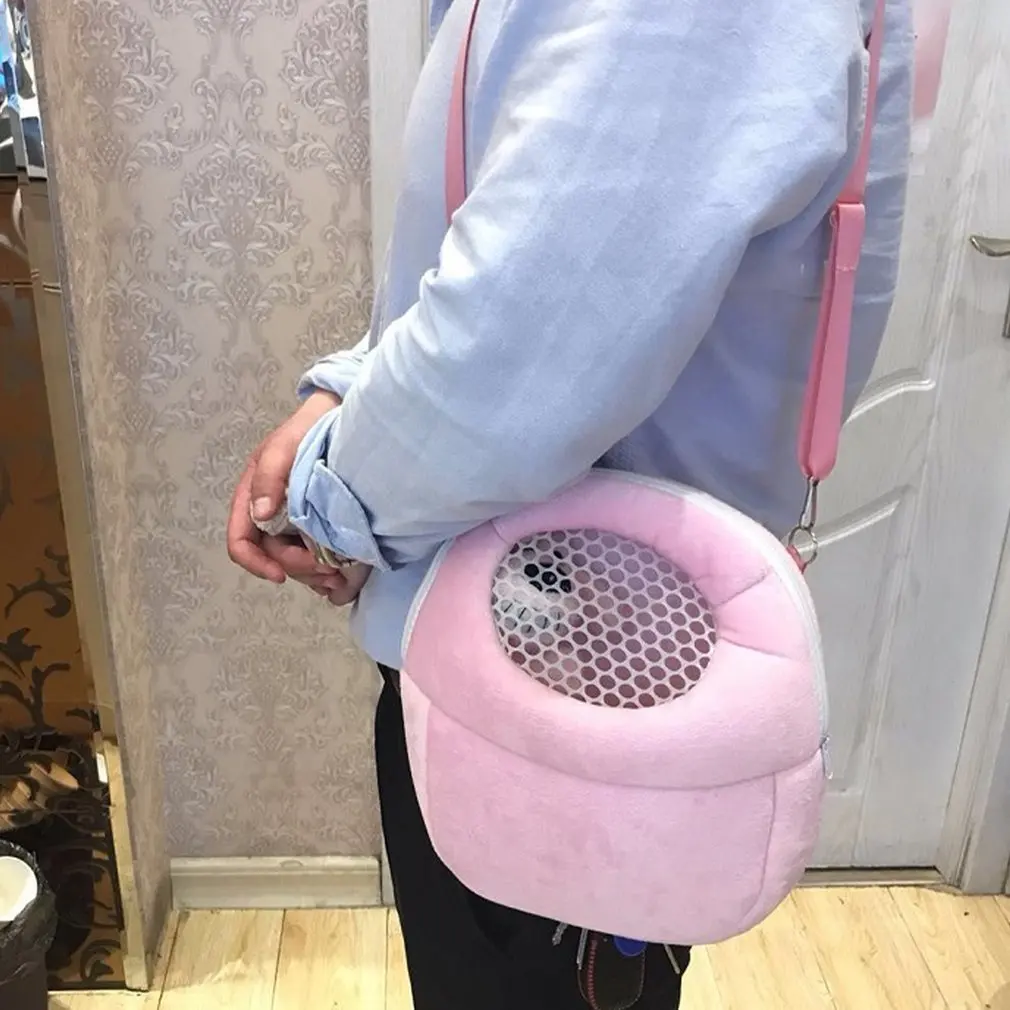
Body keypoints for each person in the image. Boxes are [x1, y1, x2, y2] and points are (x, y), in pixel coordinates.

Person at [228, 0, 913, 1006]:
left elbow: (507, 367)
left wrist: (330, 500)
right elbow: (496, 249)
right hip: (558, 659)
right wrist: (346, 392)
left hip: (564, 691)